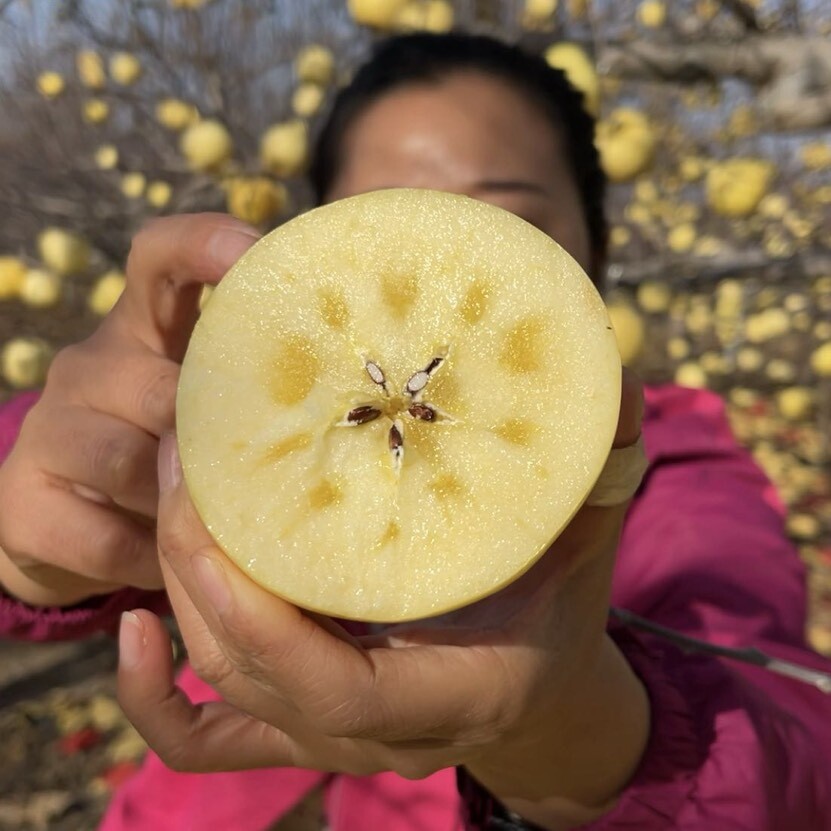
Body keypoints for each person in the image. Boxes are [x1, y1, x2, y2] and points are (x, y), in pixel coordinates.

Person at [1, 32, 830, 831]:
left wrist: (573, 735)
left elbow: (789, 732)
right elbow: (50, 466)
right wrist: (34, 542)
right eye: (393, 223)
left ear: (597, 252)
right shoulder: (225, 415)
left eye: (507, 222)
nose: (447, 260)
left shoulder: (677, 475)